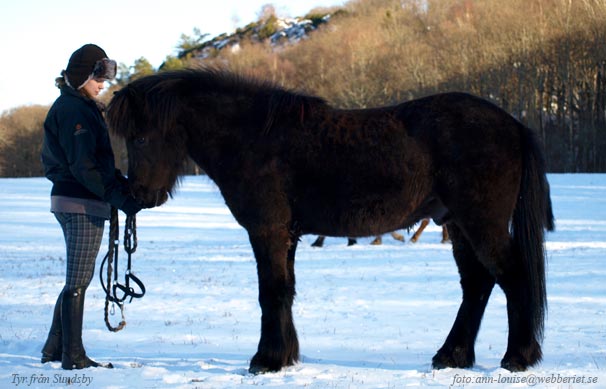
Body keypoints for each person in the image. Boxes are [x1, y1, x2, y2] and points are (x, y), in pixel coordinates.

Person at [40, 44, 142, 370]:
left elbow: (95, 164)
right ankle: (73, 356)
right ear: (82, 74)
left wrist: (121, 185)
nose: (103, 84)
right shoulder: (74, 111)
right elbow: (84, 167)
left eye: (105, 77)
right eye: (98, 77)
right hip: (80, 202)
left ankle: (54, 348)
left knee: (76, 278)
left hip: (74, 199)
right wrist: (120, 198)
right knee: (78, 282)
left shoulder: (82, 106)